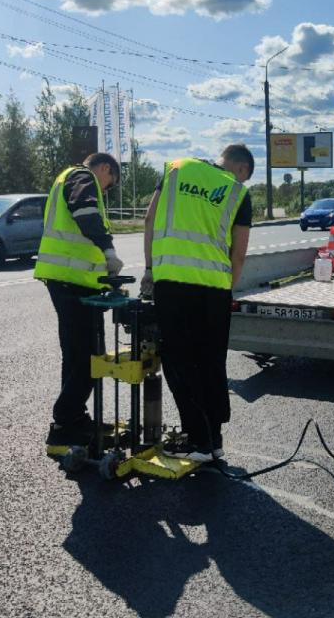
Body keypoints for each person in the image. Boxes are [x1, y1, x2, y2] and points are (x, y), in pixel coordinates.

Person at [141, 144, 254, 462]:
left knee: (179, 361)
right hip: (215, 290)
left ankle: (198, 441)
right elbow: (240, 252)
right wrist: (226, 289)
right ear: (242, 168)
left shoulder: (177, 168)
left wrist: (150, 270)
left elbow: (149, 219)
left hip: (173, 283)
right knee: (211, 363)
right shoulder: (238, 192)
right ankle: (213, 440)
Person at [35, 153, 124, 447]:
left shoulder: (68, 177)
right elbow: (86, 214)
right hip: (72, 281)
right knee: (88, 356)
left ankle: (74, 419)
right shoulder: (82, 177)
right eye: (109, 183)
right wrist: (108, 251)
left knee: (75, 354)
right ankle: (65, 420)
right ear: (105, 168)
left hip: (68, 279)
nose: (106, 190)